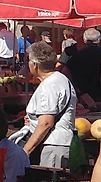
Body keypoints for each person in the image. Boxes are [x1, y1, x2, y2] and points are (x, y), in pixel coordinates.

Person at [20, 41, 77, 169]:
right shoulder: (60, 79)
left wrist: (25, 151)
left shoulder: (49, 85)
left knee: (50, 181)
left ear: (34, 65)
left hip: (53, 145)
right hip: (59, 143)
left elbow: (46, 123)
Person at [65, 29, 101, 100]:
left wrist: (76, 89)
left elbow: (66, 72)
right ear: (99, 40)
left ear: (84, 40)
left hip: (82, 95)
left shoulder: (77, 55)